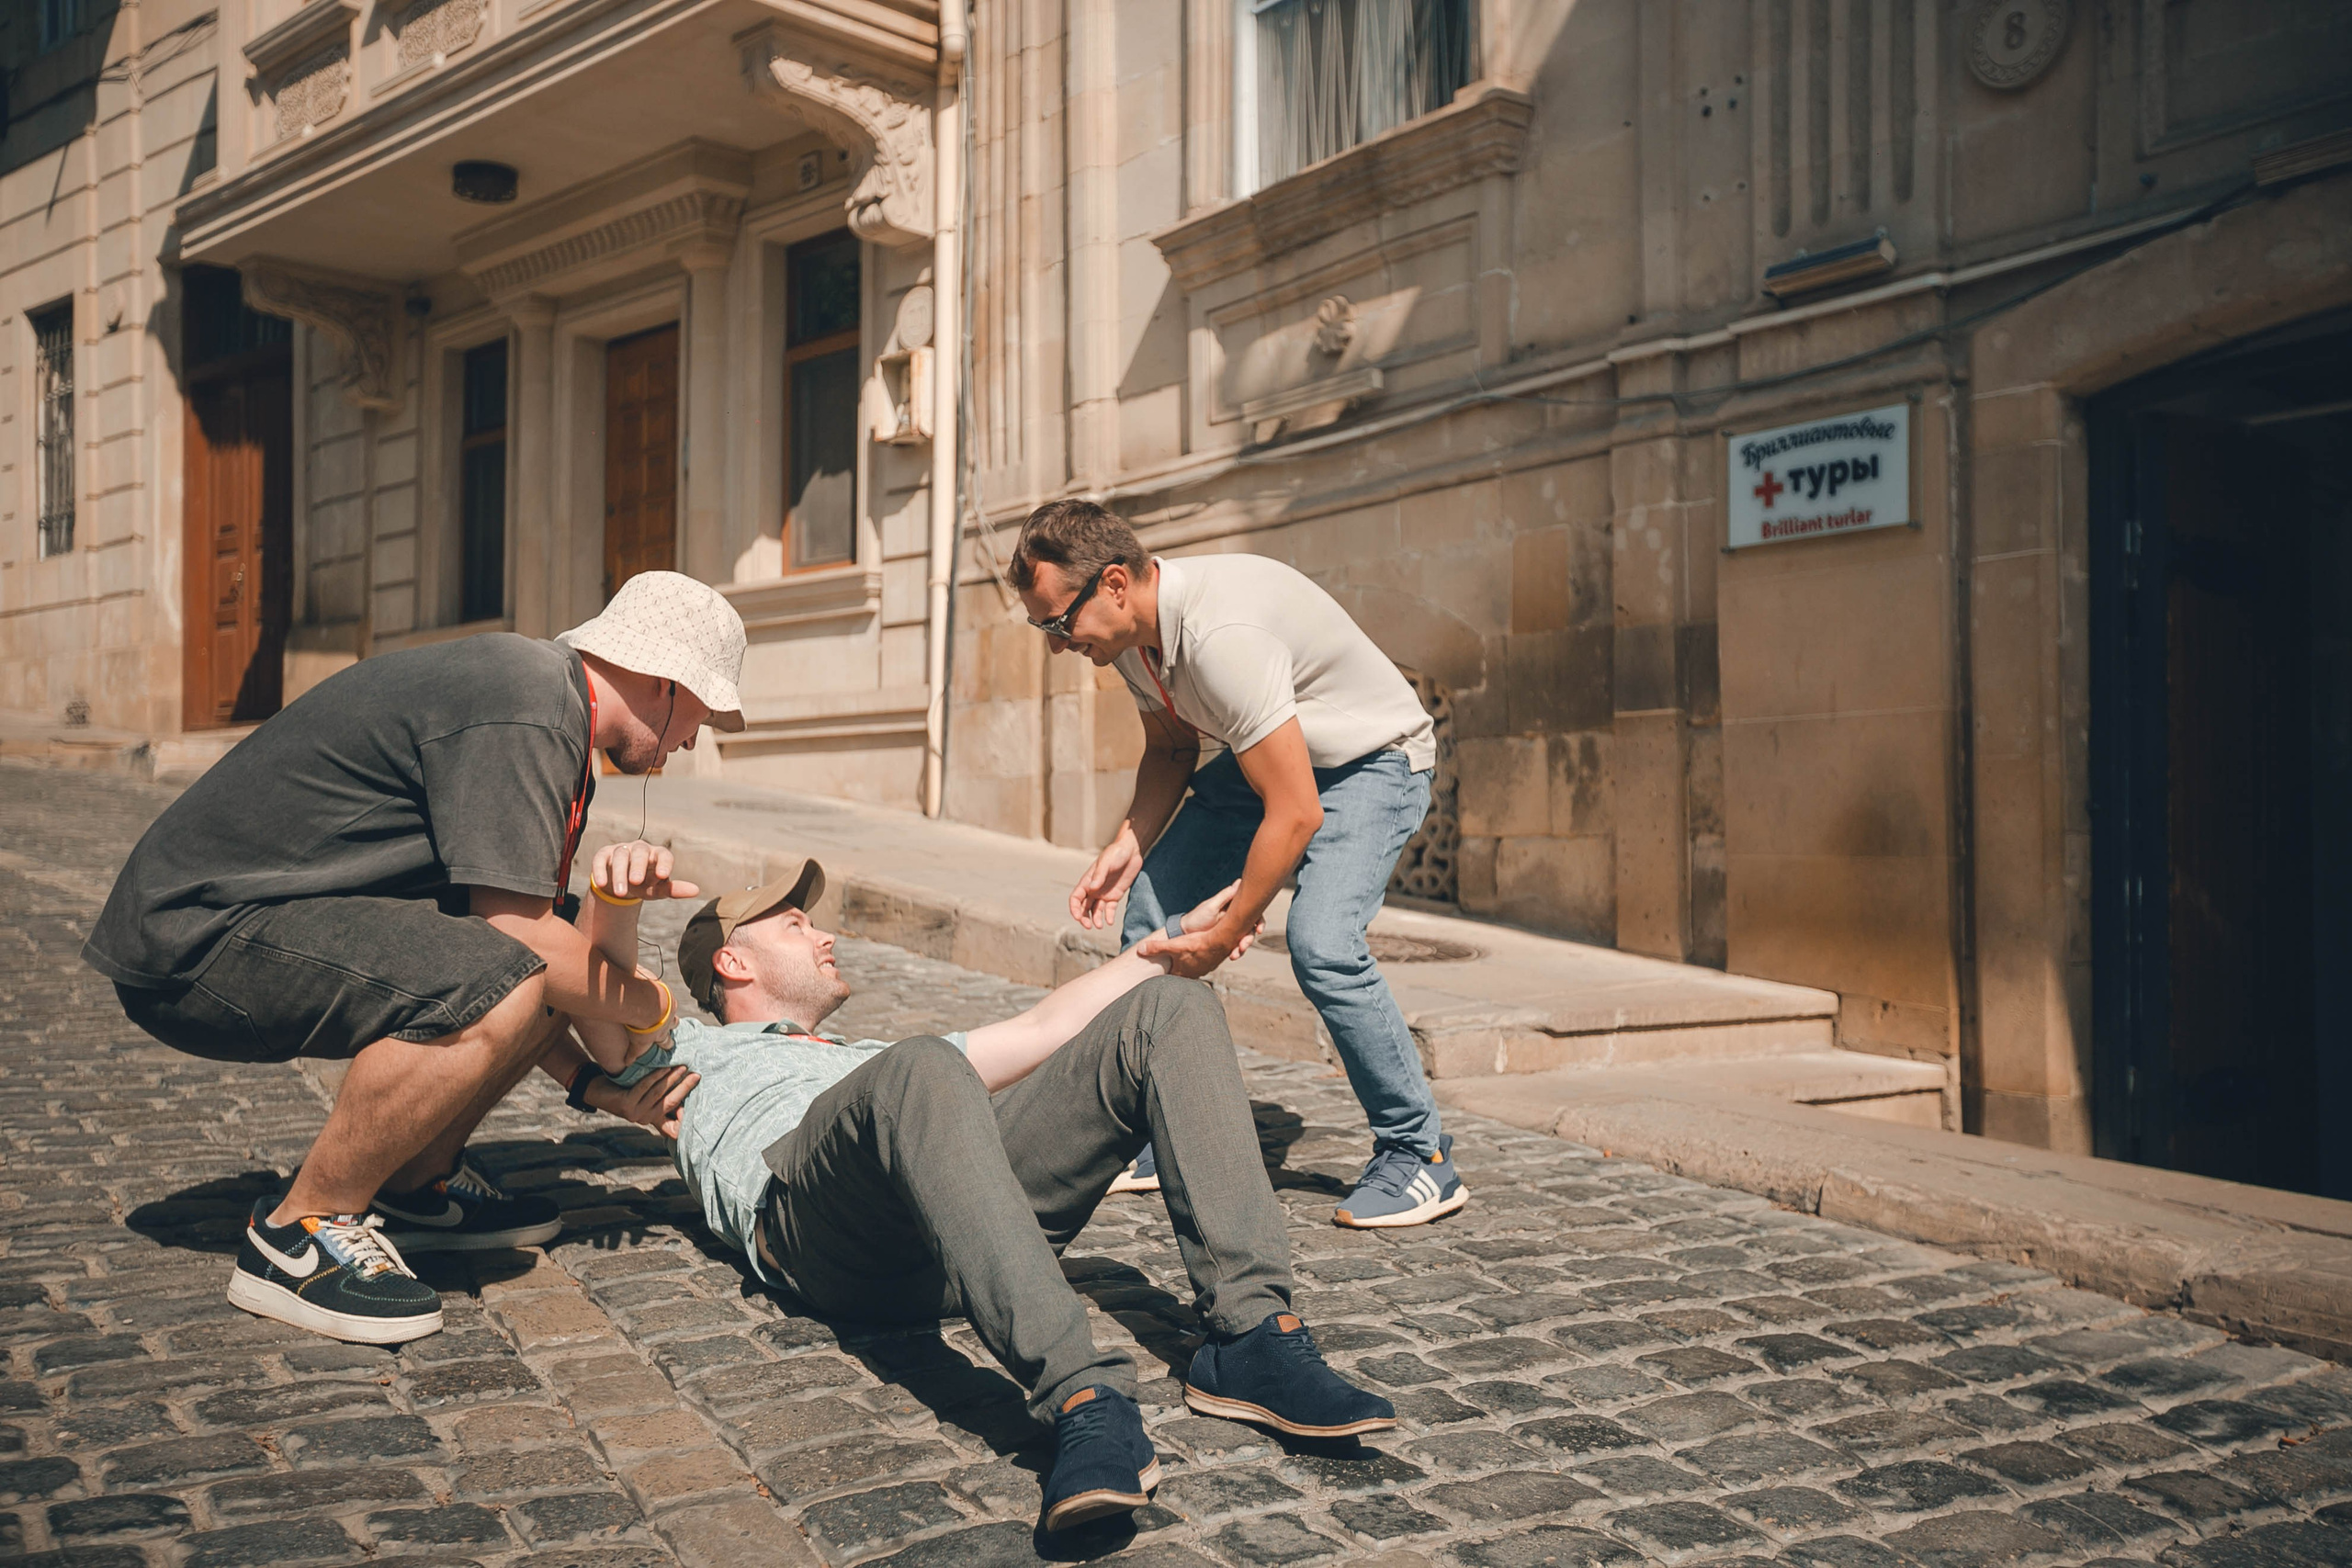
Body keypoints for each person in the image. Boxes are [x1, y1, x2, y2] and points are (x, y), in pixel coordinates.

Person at [552, 859, 1396, 1533]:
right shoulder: (690, 1050)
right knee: (920, 1065)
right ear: (733, 959)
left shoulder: (879, 1054)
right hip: (819, 1230)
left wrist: (1168, 944)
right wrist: (612, 903)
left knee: (1168, 1009)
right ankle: (1082, 1395)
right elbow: (595, 1001)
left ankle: (1252, 1334)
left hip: (963, 1223)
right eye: (797, 923)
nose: (827, 934)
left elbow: (1036, 1031)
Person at [82, 571, 746, 1345]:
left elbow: (539, 961)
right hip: (193, 936)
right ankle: (299, 1232)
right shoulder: (528, 704)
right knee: (508, 963)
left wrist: (595, 1086)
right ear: (668, 681)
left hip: (238, 920)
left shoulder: (548, 706)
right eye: (705, 710)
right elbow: (520, 950)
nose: (697, 736)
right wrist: (652, 1007)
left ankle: (411, 1183)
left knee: (531, 948)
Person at [1008, 501, 1465, 1229]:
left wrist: (1231, 929)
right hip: (1273, 764)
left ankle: (1421, 1154)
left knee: (1323, 945)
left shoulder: (1223, 637)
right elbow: (1171, 749)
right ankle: (1161, 1131)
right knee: (1152, 911)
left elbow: (1296, 813)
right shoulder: (1132, 640)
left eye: (1059, 623)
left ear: (1116, 584)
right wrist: (1127, 844)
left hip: (1373, 763)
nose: (1058, 645)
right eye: (1043, 628)